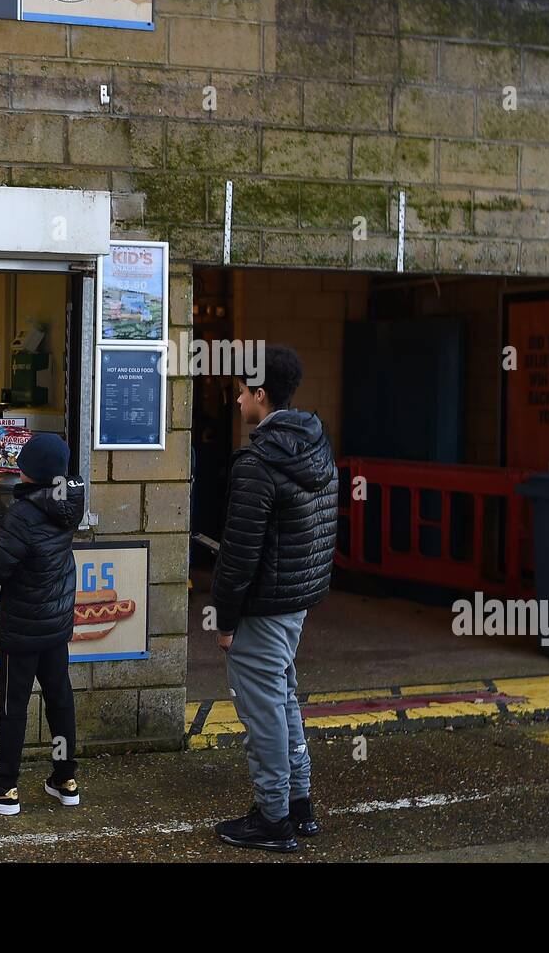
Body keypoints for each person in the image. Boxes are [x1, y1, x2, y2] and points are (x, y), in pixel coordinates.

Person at [210, 344, 338, 853]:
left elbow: (238, 555)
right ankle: (299, 803)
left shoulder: (257, 462)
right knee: (282, 697)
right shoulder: (314, 443)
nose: (238, 401)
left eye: (242, 392)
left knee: (262, 709)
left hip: (265, 603)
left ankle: (273, 818)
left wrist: (223, 620)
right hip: (297, 597)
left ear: (261, 395)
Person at [0, 433, 85, 816]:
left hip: (22, 625)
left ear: (31, 471)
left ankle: (4, 788)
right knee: (59, 699)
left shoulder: (23, 513)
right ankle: (65, 778)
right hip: (55, 622)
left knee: (12, 706)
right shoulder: (68, 502)